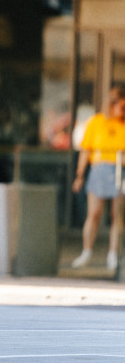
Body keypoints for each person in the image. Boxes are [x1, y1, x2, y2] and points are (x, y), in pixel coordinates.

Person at [71, 85, 125, 271]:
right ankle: (87, 251)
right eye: (119, 105)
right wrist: (80, 175)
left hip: (120, 170)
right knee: (94, 214)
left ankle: (113, 254)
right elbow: (86, 150)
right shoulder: (96, 122)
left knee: (117, 215)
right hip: (99, 169)